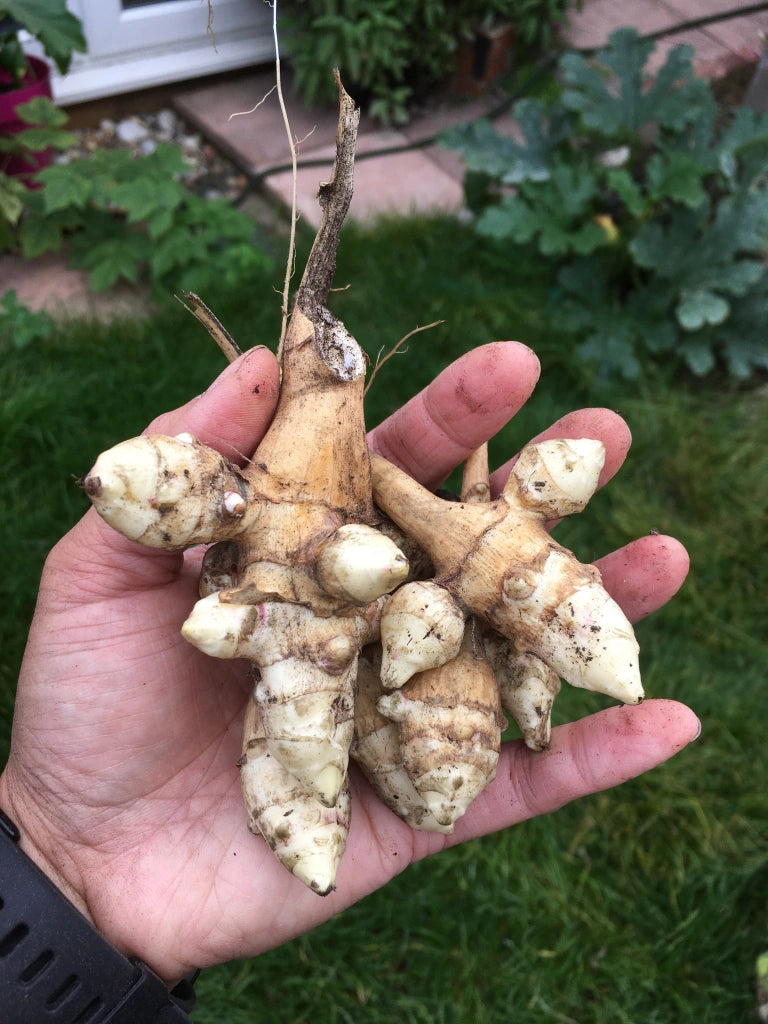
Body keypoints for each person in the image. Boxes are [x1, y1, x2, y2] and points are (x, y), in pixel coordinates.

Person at [0, 341, 698, 1003]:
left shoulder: (404, 604)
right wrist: (62, 863)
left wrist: (61, 867)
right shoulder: (371, 595)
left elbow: (399, 597)